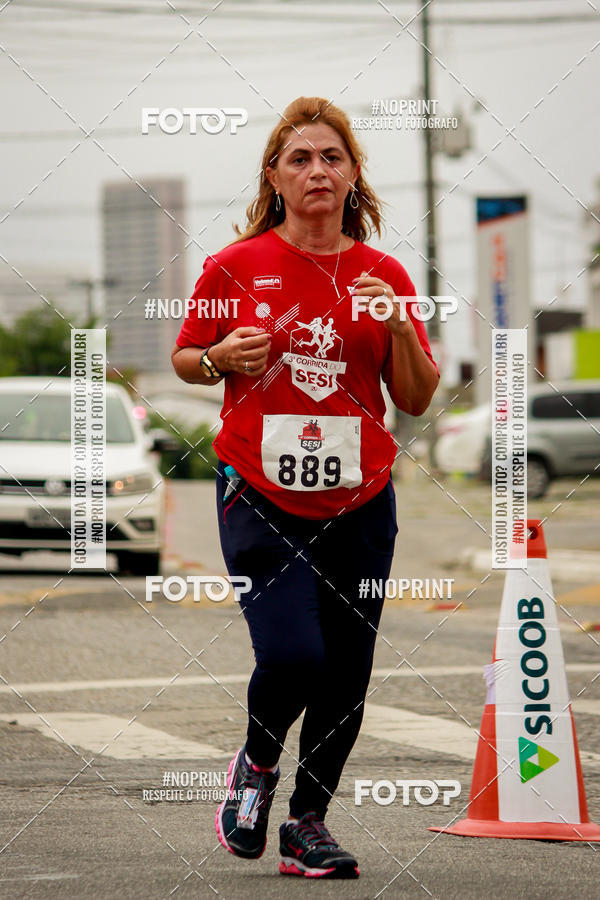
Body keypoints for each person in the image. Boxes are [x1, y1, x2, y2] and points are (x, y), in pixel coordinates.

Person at [171, 95, 439, 880]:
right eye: (300, 158)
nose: (317, 169)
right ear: (275, 176)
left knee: (347, 674)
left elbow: (416, 397)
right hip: (258, 488)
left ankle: (307, 824)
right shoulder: (236, 265)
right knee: (293, 653)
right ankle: (255, 767)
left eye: (332, 157)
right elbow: (188, 356)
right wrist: (223, 357)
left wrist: (396, 327)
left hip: (360, 497)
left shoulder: (383, 273)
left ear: (354, 173)